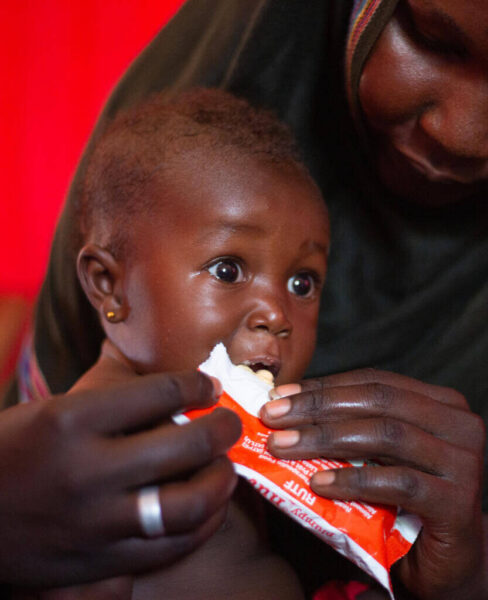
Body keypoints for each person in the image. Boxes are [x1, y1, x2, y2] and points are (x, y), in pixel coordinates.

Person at [3, 0, 488, 598]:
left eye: (303, 284)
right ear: (109, 286)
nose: (457, 131)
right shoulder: (101, 467)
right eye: (432, 39)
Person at [14, 87, 330, 600]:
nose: (277, 314)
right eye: (228, 270)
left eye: (302, 283)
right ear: (110, 286)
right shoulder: (104, 442)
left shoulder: (244, 423)